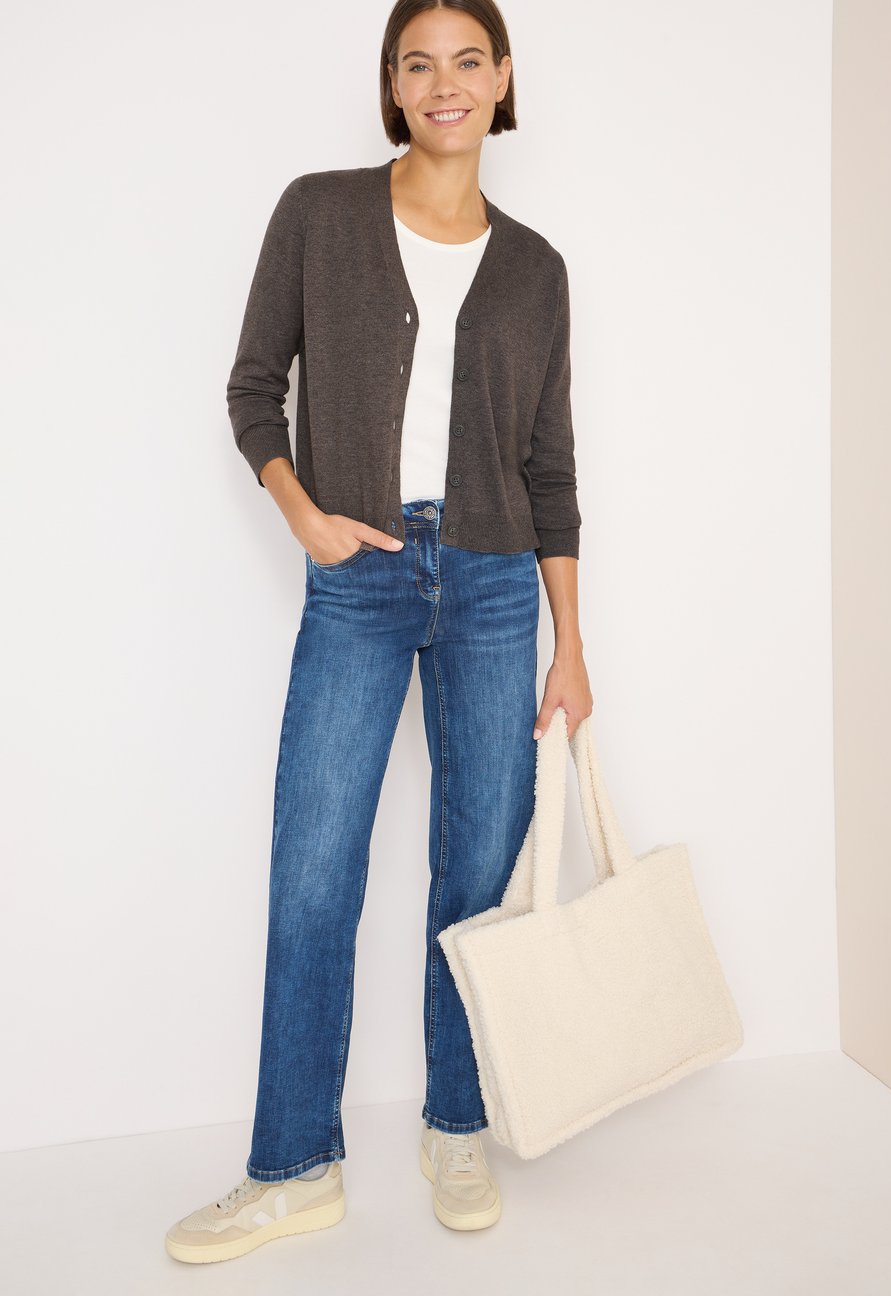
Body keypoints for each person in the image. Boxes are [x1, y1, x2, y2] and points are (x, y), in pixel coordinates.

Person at [165, 0, 593, 1264]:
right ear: (394, 86)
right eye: (419, 64)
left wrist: (571, 644)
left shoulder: (537, 270)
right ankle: (295, 1164)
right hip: (360, 575)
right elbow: (255, 388)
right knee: (315, 869)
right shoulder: (320, 213)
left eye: (467, 61)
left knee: (477, 876)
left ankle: (457, 1124)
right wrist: (303, 514)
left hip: (497, 585)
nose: (443, 83)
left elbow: (551, 470)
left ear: (501, 79)